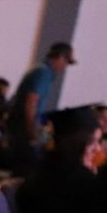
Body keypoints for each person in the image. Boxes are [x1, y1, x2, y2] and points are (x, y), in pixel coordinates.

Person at [7, 42, 76, 172]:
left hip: (21, 127)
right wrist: (32, 132)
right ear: (60, 57)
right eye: (66, 62)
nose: (65, 67)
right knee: (25, 169)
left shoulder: (40, 70)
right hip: (23, 129)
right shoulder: (44, 72)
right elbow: (31, 101)